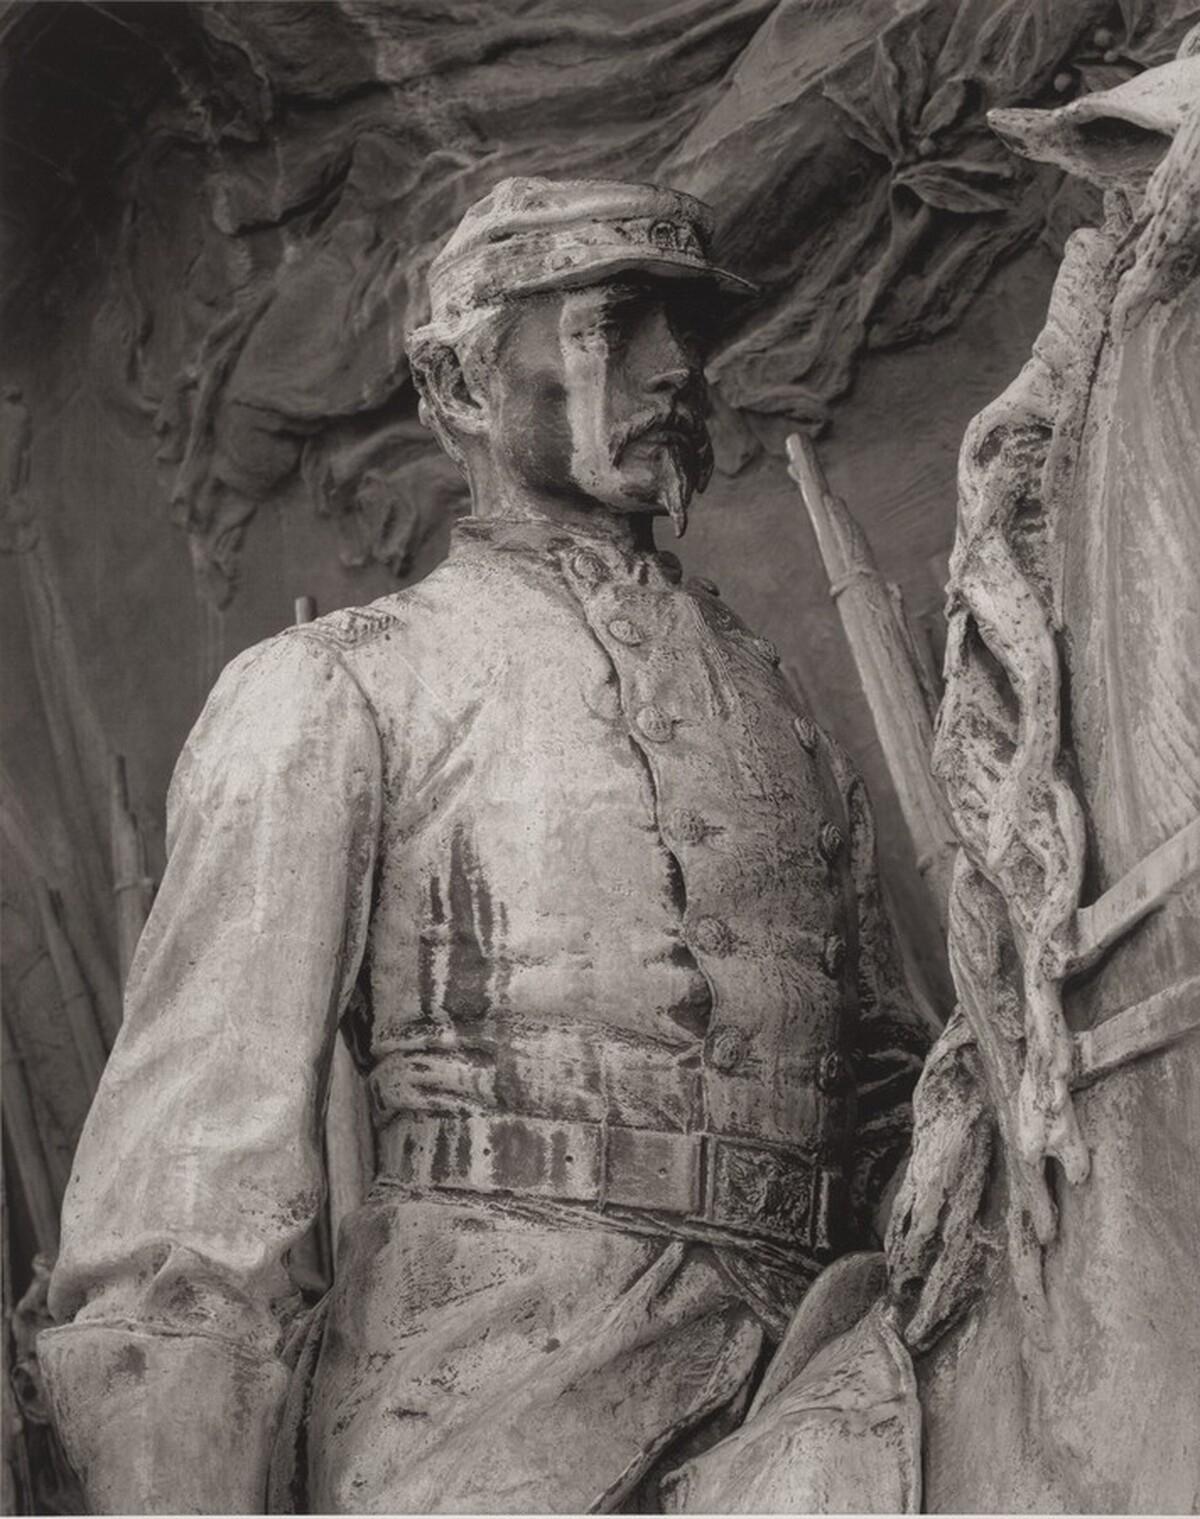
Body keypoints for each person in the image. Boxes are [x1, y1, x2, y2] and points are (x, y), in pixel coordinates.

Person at [40, 177, 928, 1513]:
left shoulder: (777, 705)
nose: (676, 369)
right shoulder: (341, 687)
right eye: (613, 325)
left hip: (829, 1362)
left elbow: (881, 1084)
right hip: (498, 1405)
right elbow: (189, 1199)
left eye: (683, 330)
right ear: (462, 385)